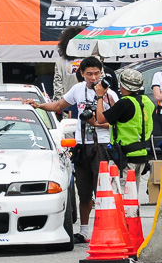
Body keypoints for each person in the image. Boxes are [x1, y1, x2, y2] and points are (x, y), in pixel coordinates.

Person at [34, 59, 118, 242]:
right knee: (83, 191)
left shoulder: (110, 94)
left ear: (102, 73)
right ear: (81, 73)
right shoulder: (78, 89)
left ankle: (104, 229)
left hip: (102, 145)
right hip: (81, 145)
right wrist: (39, 106)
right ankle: (84, 230)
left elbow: (115, 122)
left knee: (102, 190)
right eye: (89, 73)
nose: (93, 77)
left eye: (96, 73)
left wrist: (96, 122)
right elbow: (58, 106)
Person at [101, 67, 155, 181]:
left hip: (125, 156)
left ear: (122, 86)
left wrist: (99, 97)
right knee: (133, 193)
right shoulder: (147, 101)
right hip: (141, 153)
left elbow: (101, 118)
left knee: (122, 192)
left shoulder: (124, 103)